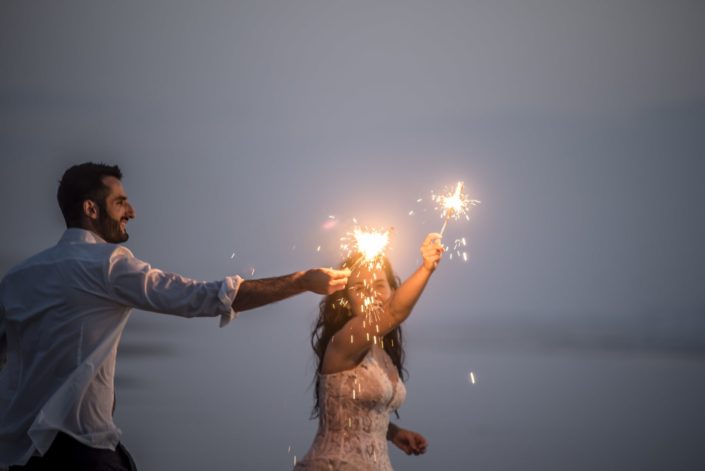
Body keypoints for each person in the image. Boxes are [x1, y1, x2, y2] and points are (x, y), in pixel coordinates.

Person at [0, 162, 350, 470]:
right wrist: (302, 281)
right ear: (91, 209)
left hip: (24, 453)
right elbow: (200, 297)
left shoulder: (18, 278)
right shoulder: (107, 265)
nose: (132, 210)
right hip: (83, 450)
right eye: (120, 201)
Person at [294, 232, 444, 470]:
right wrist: (426, 268)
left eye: (378, 286)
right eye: (359, 289)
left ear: (394, 290)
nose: (370, 295)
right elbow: (393, 312)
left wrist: (392, 432)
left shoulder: (381, 352)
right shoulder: (344, 340)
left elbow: (355, 412)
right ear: (346, 300)